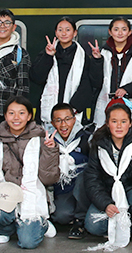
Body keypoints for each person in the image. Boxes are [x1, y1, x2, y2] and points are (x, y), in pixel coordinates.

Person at [0, 95, 59, 248]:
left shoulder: (41, 139)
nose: (16, 118)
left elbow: (49, 178)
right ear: (5, 115)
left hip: (32, 198)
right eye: (11, 113)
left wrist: (50, 151)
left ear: (29, 116)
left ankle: (42, 224)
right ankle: (5, 230)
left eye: (21, 113)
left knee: (28, 242)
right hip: (5, 196)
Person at [84, 100, 132, 247]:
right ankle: (120, 226)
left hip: (131, 192)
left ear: (130, 124)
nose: (119, 126)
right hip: (108, 193)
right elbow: (92, 179)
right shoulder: (98, 144)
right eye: (114, 121)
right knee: (92, 225)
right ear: (107, 123)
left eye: (123, 121)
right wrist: (106, 204)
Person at [31, 17, 100, 130]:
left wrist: (73, 108)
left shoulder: (83, 57)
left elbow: (89, 84)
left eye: (68, 30)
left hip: (74, 111)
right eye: (60, 30)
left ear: (75, 33)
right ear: (56, 33)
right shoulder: (47, 53)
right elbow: (37, 78)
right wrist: (48, 56)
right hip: (48, 112)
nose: (64, 33)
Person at [48, 102, 93, 240]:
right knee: (62, 216)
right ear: (52, 123)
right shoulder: (48, 140)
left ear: (74, 119)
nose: (63, 124)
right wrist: (50, 151)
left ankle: (80, 220)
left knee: (84, 175)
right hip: (63, 190)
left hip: (84, 191)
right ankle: (75, 215)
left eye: (67, 119)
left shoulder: (86, 138)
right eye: (58, 120)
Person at [91, 17, 132, 127]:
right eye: (116, 29)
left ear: (129, 32)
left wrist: (127, 89)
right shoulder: (103, 53)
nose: (120, 33)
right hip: (105, 102)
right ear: (110, 32)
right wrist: (97, 60)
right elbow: (95, 82)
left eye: (124, 29)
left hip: (129, 103)